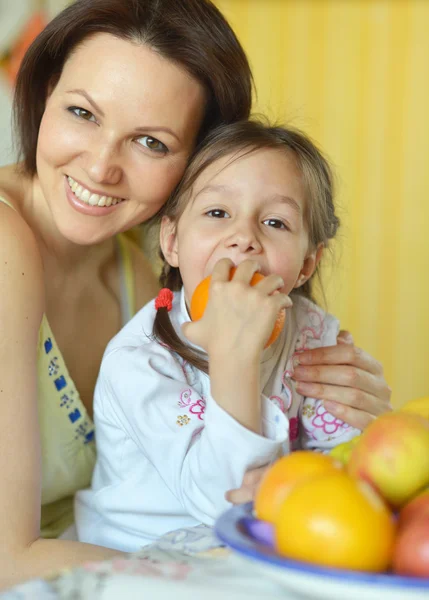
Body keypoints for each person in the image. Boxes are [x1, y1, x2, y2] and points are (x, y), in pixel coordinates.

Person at [0, 0, 390, 588]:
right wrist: (229, 574)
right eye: (82, 112)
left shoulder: (141, 270)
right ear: (44, 95)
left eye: (151, 142)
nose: (102, 166)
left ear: (197, 163)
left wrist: (360, 415)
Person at [75, 120, 365, 552]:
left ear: (306, 264)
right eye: (217, 213)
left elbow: (346, 460)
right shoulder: (139, 362)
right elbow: (224, 501)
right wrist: (236, 355)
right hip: (139, 557)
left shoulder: (313, 336)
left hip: (256, 550)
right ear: (172, 242)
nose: (244, 238)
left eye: (275, 222)